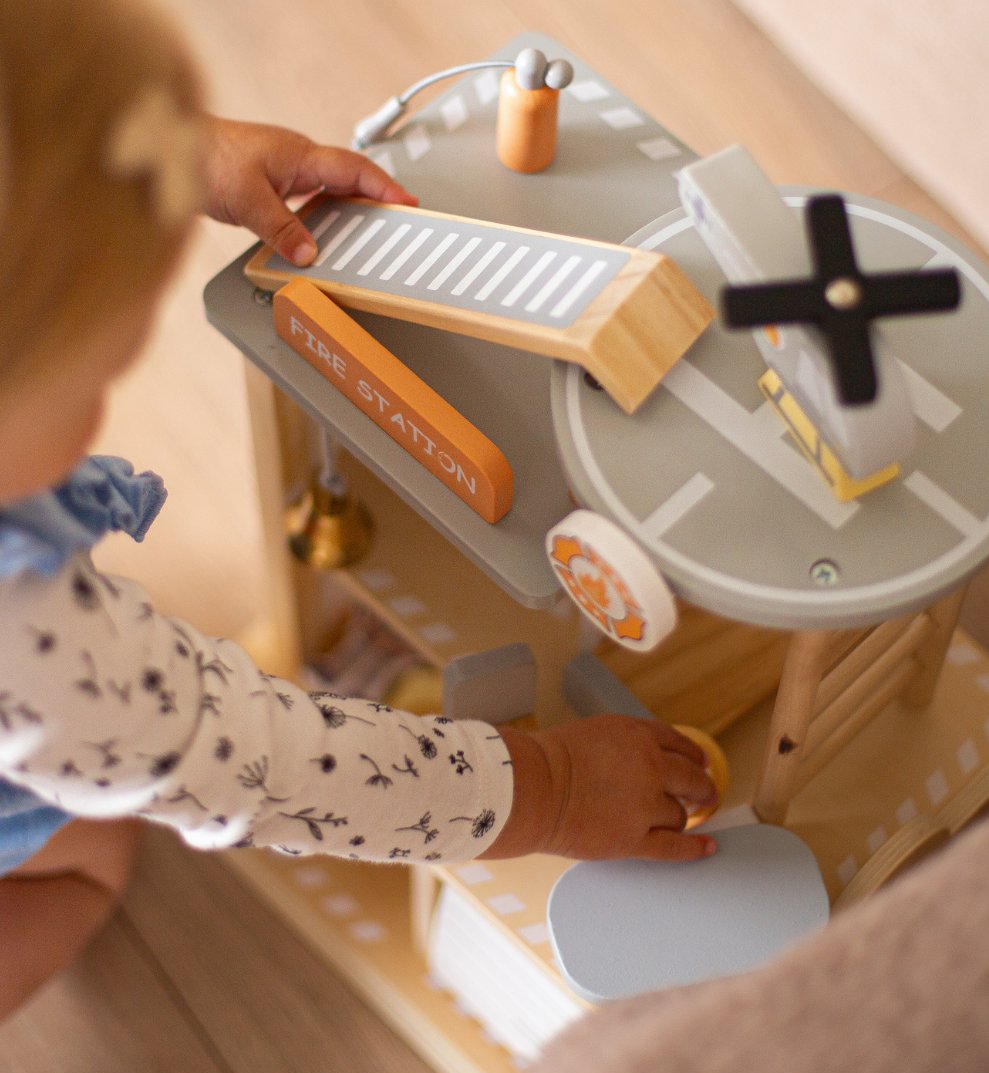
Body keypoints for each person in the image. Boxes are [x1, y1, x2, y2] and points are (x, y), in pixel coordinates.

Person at [0, 0, 717, 1020]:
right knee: (94, 857)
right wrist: (547, 786)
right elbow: (263, 765)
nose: (107, 395)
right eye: (96, 380)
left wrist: (173, 155)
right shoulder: (36, 651)